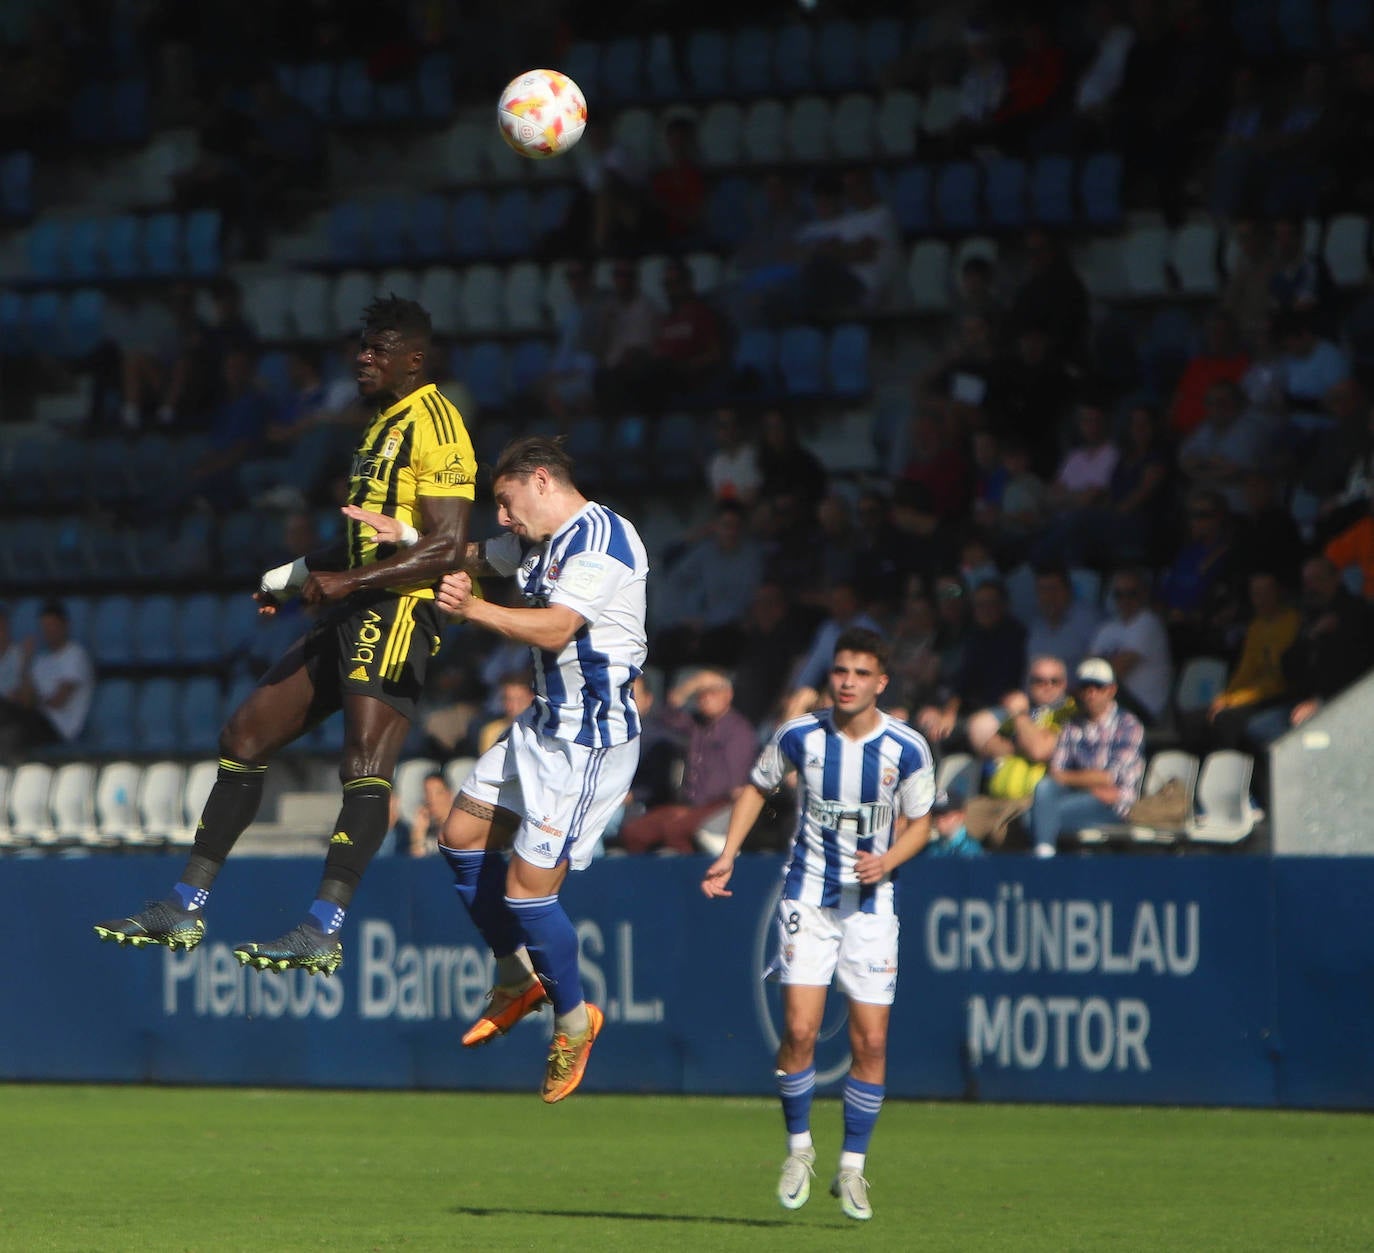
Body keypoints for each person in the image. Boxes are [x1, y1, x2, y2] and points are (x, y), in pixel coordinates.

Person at [93, 296, 476, 977]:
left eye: (378, 347)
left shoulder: (438, 424)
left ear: (414, 358)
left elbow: (448, 547)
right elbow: (362, 536)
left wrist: (349, 585)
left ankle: (322, 927)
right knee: (242, 735)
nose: (363, 356)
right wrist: (296, 572)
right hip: (353, 607)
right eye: (361, 346)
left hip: (397, 615)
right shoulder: (382, 425)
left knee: (364, 764)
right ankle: (186, 904)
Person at [392, 435, 648, 1104]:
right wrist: (402, 533)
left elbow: (559, 627)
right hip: (539, 729)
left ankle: (573, 1020)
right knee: (458, 836)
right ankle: (515, 977)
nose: (501, 517)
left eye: (505, 502)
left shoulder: (603, 542)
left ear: (540, 481)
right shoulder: (537, 540)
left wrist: (471, 606)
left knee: (528, 892)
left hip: (588, 743)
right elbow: (474, 554)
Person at [700, 628, 935, 1222]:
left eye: (861, 673)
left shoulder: (906, 747)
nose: (848, 681)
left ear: (881, 682)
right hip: (808, 896)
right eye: (840, 671)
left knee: (871, 1041)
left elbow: (921, 824)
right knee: (801, 1032)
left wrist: (889, 858)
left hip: (873, 907)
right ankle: (799, 1150)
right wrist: (728, 852)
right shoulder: (801, 734)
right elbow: (756, 788)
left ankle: (853, 1167)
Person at [616, 667, 757, 856]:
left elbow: (733, 785)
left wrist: (695, 810)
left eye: (712, 692)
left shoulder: (739, 731)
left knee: (676, 830)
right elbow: (667, 715)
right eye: (700, 693)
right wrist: (689, 686)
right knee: (635, 831)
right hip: (688, 806)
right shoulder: (696, 725)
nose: (705, 697)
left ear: (728, 694)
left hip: (720, 806)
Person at [1026, 658, 1145, 858]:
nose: (1091, 693)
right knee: (1044, 789)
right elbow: (1055, 773)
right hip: (1081, 797)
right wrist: (1088, 782)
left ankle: (1043, 860)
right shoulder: (1072, 726)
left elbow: (1109, 778)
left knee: (1034, 818)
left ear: (1111, 690)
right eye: (1085, 687)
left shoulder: (1128, 725)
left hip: (1115, 806)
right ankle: (1044, 854)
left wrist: (1070, 778)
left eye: (1098, 687)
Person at [0, 600, 94, 759]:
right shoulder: (41, 661)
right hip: (37, 720)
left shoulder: (75, 655)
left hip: (59, 728)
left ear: (65, 625)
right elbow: (26, 698)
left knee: (12, 726)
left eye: (52, 625)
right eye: (45, 627)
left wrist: (33, 700)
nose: (49, 631)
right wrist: (26, 663)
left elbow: (59, 700)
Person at [474, 671, 535, 755]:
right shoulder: (491, 731)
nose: (512, 706)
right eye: (508, 699)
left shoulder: (544, 731)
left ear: (532, 699)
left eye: (519, 700)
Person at [408, 770, 454, 858]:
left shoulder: (457, 829)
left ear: (450, 795)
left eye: (438, 793)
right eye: (427, 793)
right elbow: (416, 864)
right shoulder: (427, 831)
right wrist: (418, 833)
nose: (432, 799)